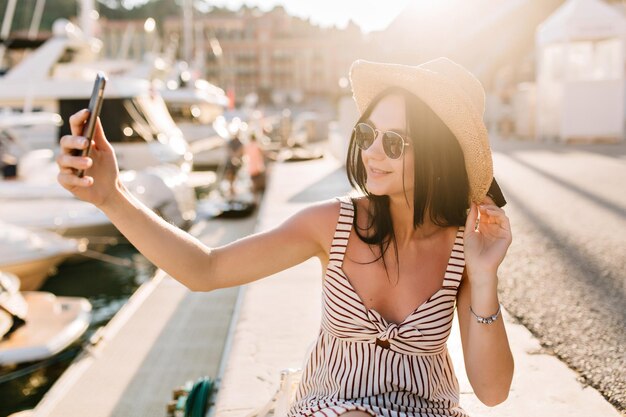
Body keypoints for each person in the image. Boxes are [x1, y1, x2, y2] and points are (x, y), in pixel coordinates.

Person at [56, 56, 514, 417]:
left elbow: (491, 392)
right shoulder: (332, 224)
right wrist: (111, 196)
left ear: (438, 155)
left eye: (395, 142)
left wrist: (485, 275)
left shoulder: (462, 250)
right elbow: (206, 269)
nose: (373, 151)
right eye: (369, 132)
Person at [243, 132, 267, 196]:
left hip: (251, 168)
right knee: (261, 184)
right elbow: (264, 154)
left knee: (254, 185)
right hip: (258, 167)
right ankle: (259, 199)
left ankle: (255, 199)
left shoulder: (247, 146)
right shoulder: (257, 145)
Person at [223, 133, 244, 199]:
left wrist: (235, 156)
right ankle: (231, 188)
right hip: (231, 161)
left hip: (236, 161)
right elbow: (228, 149)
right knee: (230, 175)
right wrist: (233, 156)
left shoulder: (240, 142)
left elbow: (241, 149)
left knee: (234, 175)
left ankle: (233, 188)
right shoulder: (230, 142)